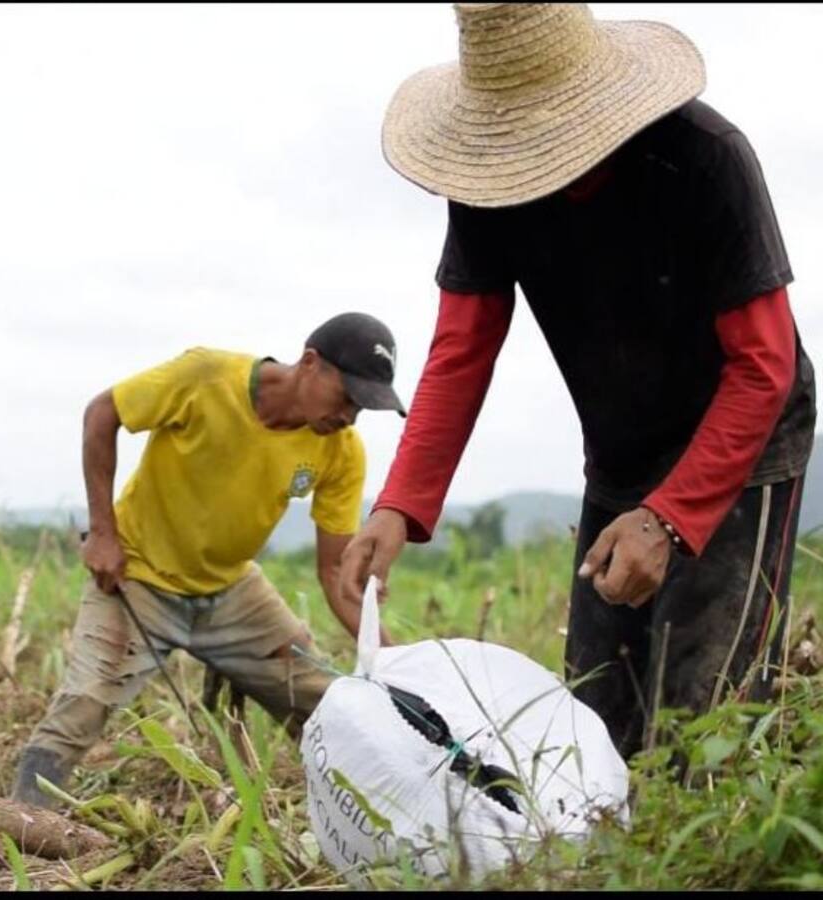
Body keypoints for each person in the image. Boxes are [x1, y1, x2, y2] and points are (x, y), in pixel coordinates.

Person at [340, 3, 815, 759]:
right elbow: (461, 350)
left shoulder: (705, 158)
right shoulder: (489, 182)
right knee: (593, 722)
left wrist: (667, 519)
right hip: (622, 447)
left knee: (706, 720)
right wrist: (397, 508)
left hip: (744, 441)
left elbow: (764, 365)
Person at [12, 313, 406, 807]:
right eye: (347, 397)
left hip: (234, 596)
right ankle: (24, 820)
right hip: (137, 577)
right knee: (83, 704)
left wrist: (398, 664)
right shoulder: (205, 377)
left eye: (362, 408)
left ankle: (373, 810)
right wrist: (103, 533)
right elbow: (101, 414)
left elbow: (333, 571)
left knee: (324, 700)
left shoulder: (342, 451)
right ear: (309, 364)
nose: (349, 416)